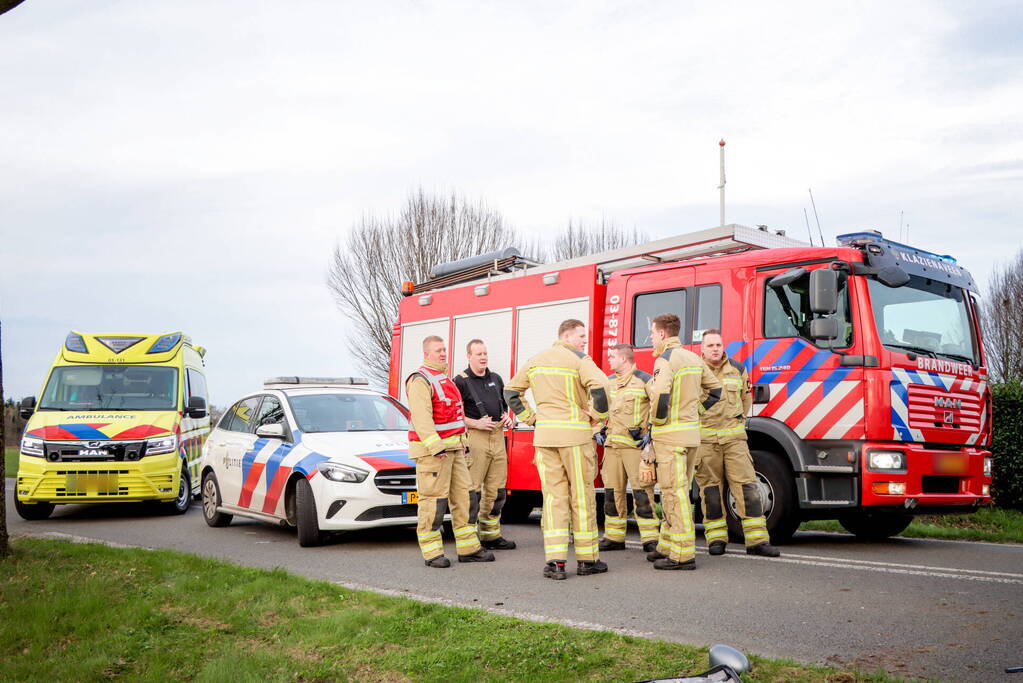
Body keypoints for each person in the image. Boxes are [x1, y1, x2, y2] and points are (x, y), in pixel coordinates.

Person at [504, 319, 610, 580]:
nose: (584, 341)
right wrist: (598, 415)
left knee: (553, 499)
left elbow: (510, 393)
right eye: (581, 336)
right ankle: (587, 561)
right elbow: (603, 388)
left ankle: (556, 563)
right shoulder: (580, 360)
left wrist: (531, 418)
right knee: (582, 498)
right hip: (575, 438)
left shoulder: (535, 360)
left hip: (545, 439)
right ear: (568, 335)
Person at [407, 335, 495, 568]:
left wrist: (463, 444)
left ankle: (468, 548)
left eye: (444, 349)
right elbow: (422, 419)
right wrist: (435, 447)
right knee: (433, 503)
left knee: (466, 498)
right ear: (426, 354)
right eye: (438, 350)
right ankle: (432, 552)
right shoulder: (420, 380)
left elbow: (454, 417)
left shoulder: (444, 379)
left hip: (455, 450)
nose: (443, 353)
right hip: (434, 453)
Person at [645, 314, 722, 570]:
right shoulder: (691, 357)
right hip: (691, 436)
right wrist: (696, 412)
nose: (652, 338)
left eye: (653, 334)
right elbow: (716, 390)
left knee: (672, 493)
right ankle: (666, 545)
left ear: (663, 334)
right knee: (680, 491)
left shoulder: (665, 360)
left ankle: (682, 555)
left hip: (670, 437)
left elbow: (661, 395)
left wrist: (656, 423)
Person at [695, 330, 780, 557]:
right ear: (702, 348)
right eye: (710, 345)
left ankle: (757, 541)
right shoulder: (694, 371)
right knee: (711, 491)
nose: (715, 348)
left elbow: (745, 400)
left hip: (734, 440)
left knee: (747, 487)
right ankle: (716, 539)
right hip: (705, 440)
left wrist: (734, 424)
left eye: (718, 344)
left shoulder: (738, 369)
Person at [595, 343, 660, 554]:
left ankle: (650, 537)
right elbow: (597, 409)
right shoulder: (608, 382)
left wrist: (650, 435)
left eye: (612, 356)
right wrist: (597, 428)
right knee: (612, 494)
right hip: (612, 447)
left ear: (624, 359)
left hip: (635, 448)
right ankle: (614, 536)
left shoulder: (645, 380)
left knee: (643, 493)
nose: (609, 360)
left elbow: (658, 406)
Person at [453, 339, 517, 550]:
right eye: (478, 354)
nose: (483, 357)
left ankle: (491, 535)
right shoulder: (460, 381)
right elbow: (455, 415)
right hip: (476, 437)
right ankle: (470, 540)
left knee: (497, 490)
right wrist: (476, 423)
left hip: (498, 437)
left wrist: (508, 417)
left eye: (485, 353)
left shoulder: (496, 378)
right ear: (469, 356)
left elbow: (504, 405)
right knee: (472, 492)